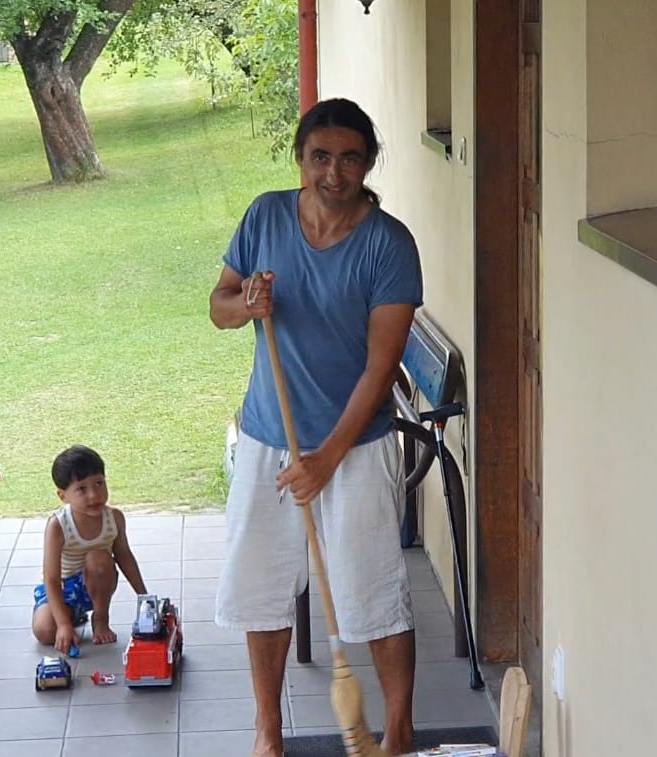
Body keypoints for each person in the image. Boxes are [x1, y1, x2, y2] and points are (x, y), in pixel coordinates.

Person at [208, 97, 423, 757]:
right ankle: (267, 732)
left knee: (374, 595)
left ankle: (398, 733)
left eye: (349, 158)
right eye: (320, 157)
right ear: (300, 158)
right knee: (262, 590)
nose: (334, 172)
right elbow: (218, 305)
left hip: (355, 448)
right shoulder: (265, 216)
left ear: (368, 163)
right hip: (268, 439)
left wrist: (328, 458)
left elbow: (381, 368)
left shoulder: (388, 245)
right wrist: (246, 304)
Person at [31, 444, 150, 654]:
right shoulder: (58, 525)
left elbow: (124, 556)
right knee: (45, 631)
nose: (94, 495)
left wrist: (144, 597)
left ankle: (100, 618)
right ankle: (70, 616)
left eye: (99, 483)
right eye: (82, 489)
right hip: (62, 587)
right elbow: (51, 578)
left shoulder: (114, 518)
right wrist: (63, 624)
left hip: (98, 581)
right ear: (63, 496)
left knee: (98, 557)